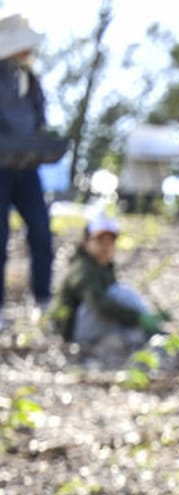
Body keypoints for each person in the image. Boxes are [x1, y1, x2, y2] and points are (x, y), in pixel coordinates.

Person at [49, 213, 171, 354]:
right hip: (72, 331)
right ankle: (153, 333)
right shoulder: (82, 269)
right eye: (100, 241)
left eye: (110, 242)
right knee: (121, 293)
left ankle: (156, 336)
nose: (106, 247)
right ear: (86, 242)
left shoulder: (103, 266)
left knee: (128, 318)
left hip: (89, 324)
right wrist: (138, 318)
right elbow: (100, 305)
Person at [0, 13, 54, 329]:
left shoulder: (30, 79)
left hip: (27, 168)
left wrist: (44, 139)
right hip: (1, 169)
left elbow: (40, 120)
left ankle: (42, 300)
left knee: (41, 231)